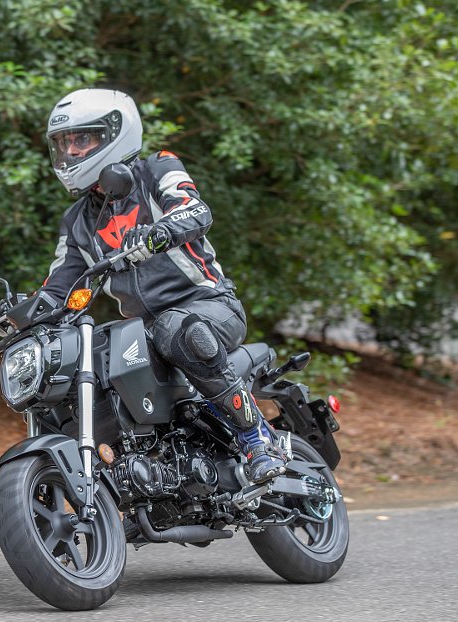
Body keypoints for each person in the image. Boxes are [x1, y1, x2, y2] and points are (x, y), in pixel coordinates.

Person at [39, 88, 288, 484]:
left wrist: (161, 232)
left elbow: (194, 208)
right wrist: (20, 314)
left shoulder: (157, 168)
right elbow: (58, 288)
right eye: (64, 143)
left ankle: (256, 436)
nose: (71, 152)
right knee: (83, 363)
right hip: (145, 332)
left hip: (209, 305)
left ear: (115, 133)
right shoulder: (78, 221)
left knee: (177, 328)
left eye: (81, 139)